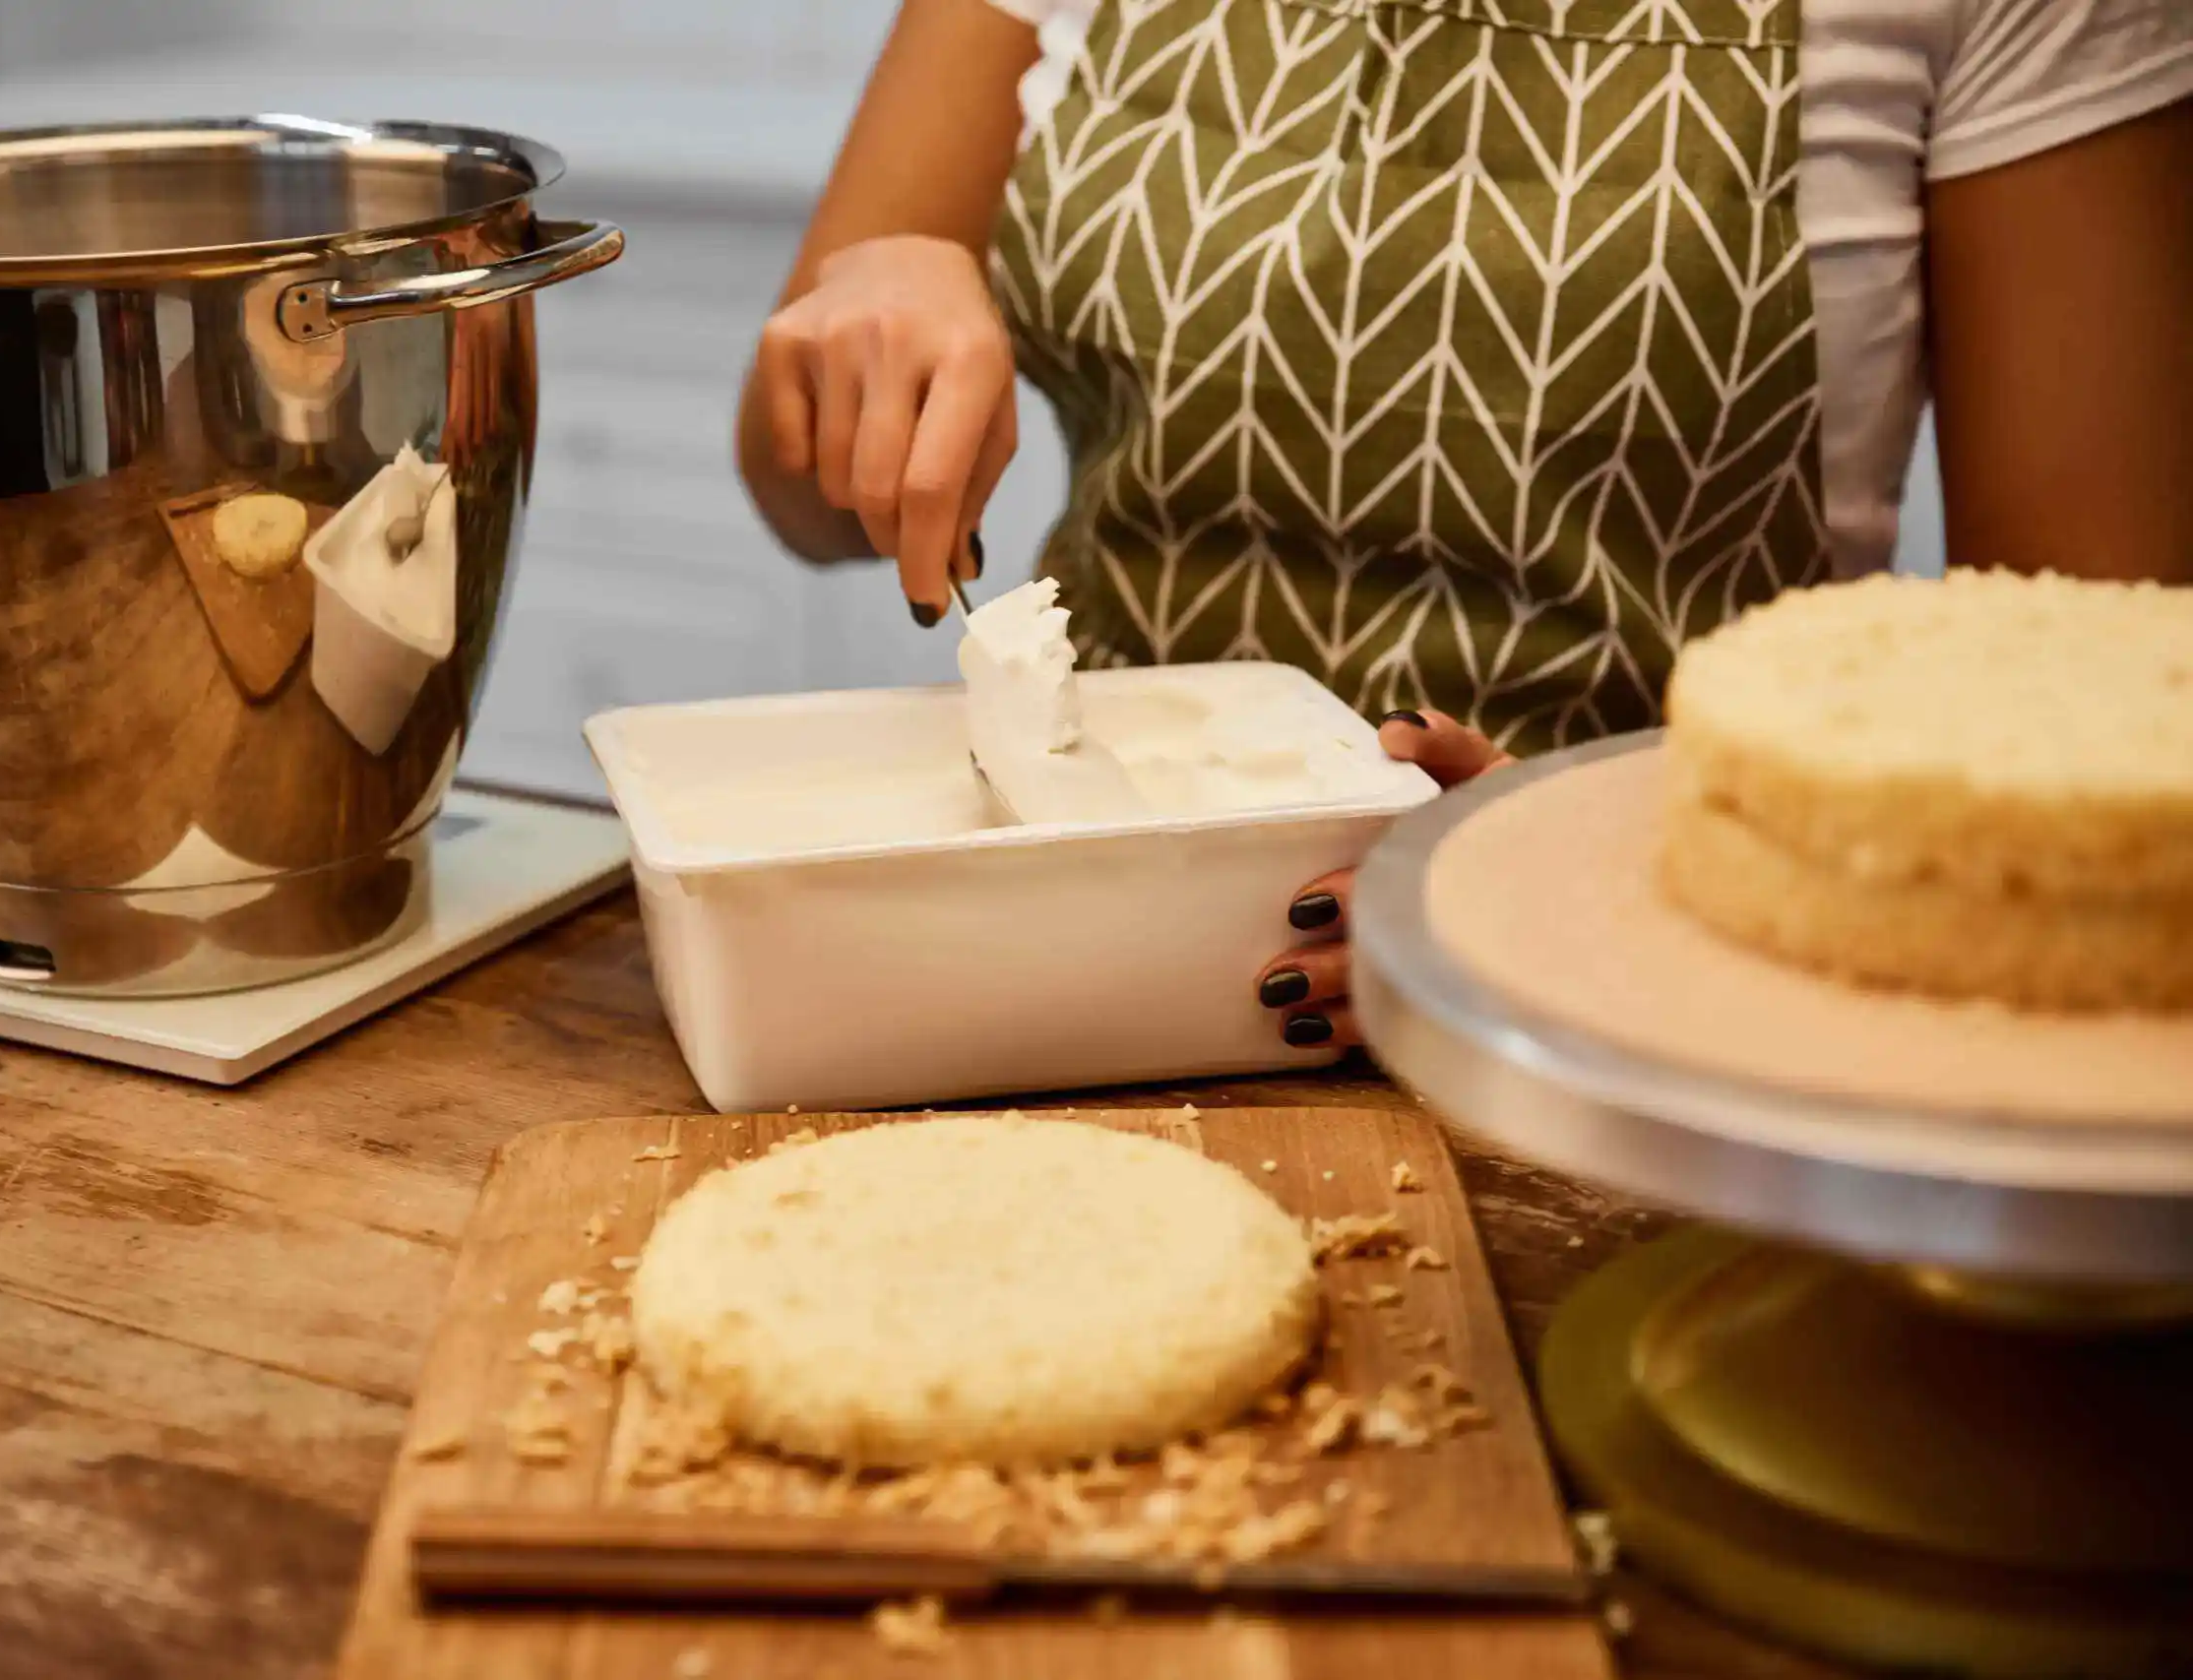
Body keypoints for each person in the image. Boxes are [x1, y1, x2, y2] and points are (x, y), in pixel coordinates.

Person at [737, 0, 2193, 1052]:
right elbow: (795, 492)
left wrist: (1571, 877)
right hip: (1075, 964)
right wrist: (872, 315)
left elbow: (2104, 715)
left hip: (1661, 1036)